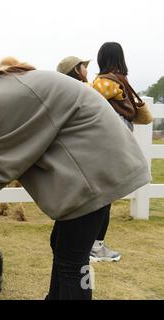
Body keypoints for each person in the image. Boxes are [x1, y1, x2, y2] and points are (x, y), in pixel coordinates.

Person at [0, 58, 150, 300]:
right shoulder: (11, 86)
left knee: (72, 259)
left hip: (93, 173)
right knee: (63, 245)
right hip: (99, 165)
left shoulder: (3, 98)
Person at [57, 56, 122, 263]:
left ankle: (92, 246)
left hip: (82, 159)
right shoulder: (85, 92)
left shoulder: (65, 93)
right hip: (91, 159)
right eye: (84, 66)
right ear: (76, 70)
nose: (87, 69)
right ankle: (94, 247)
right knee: (100, 202)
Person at [93, 42, 135, 132]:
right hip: (124, 123)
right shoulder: (120, 76)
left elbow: (92, 95)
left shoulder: (108, 81)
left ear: (102, 59)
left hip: (117, 125)